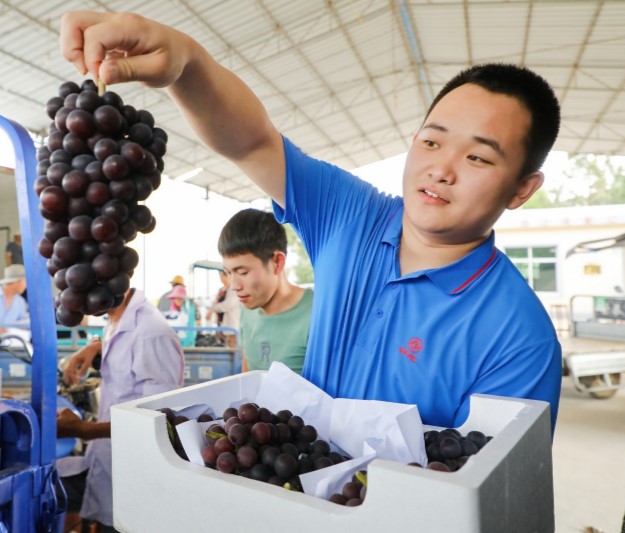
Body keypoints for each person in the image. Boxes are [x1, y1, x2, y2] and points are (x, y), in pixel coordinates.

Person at [58, 12, 564, 432]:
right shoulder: (353, 215)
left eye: (478, 158)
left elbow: (484, 492)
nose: (441, 168)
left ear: (522, 188)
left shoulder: (520, 338)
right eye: (431, 141)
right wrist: (186, 65)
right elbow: (253, 142)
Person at [56, 288, 184, 533]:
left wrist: (84, 430)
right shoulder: (116, 317)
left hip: (135, 478)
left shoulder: (152, 334)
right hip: (109, 465)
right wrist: (96, 348)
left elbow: (159, 422)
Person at [218, 209, 312, 374]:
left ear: (277, 262)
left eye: (243, 272)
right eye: (228, 272)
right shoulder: (248, 309)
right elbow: (247, 375)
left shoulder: (317, 315)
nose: (234, 286)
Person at [205, 268, 240, 347]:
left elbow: (227, 305)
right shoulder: (221, 290)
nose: (221, 278)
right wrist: (211, 310)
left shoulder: (234, 290)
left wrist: (212, 309)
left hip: (231, 327)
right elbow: (215, 303)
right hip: (220, 326)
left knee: (232, 349)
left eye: (222, 276)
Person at [162, 283, 196, 347]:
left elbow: (183, 323)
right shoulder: (172, 311)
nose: (177, 301)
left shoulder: (188, 310)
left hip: (187, 342)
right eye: (175, 298)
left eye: (179, 298)